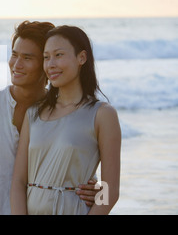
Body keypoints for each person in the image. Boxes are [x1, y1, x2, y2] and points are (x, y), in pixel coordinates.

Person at [0, 21, 99, 215]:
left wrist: (97, 192)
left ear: (46, 63)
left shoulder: (68, 114)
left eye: (27, 58)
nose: (16, 65)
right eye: (14, 55)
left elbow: (86, 180)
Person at [10, 25, 121, 215]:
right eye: (46, 57)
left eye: (59, 55)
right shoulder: (34, 113)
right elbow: (18, 182)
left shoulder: (103, 114)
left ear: (81, 58)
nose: (51, 64)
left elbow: (110, 192)